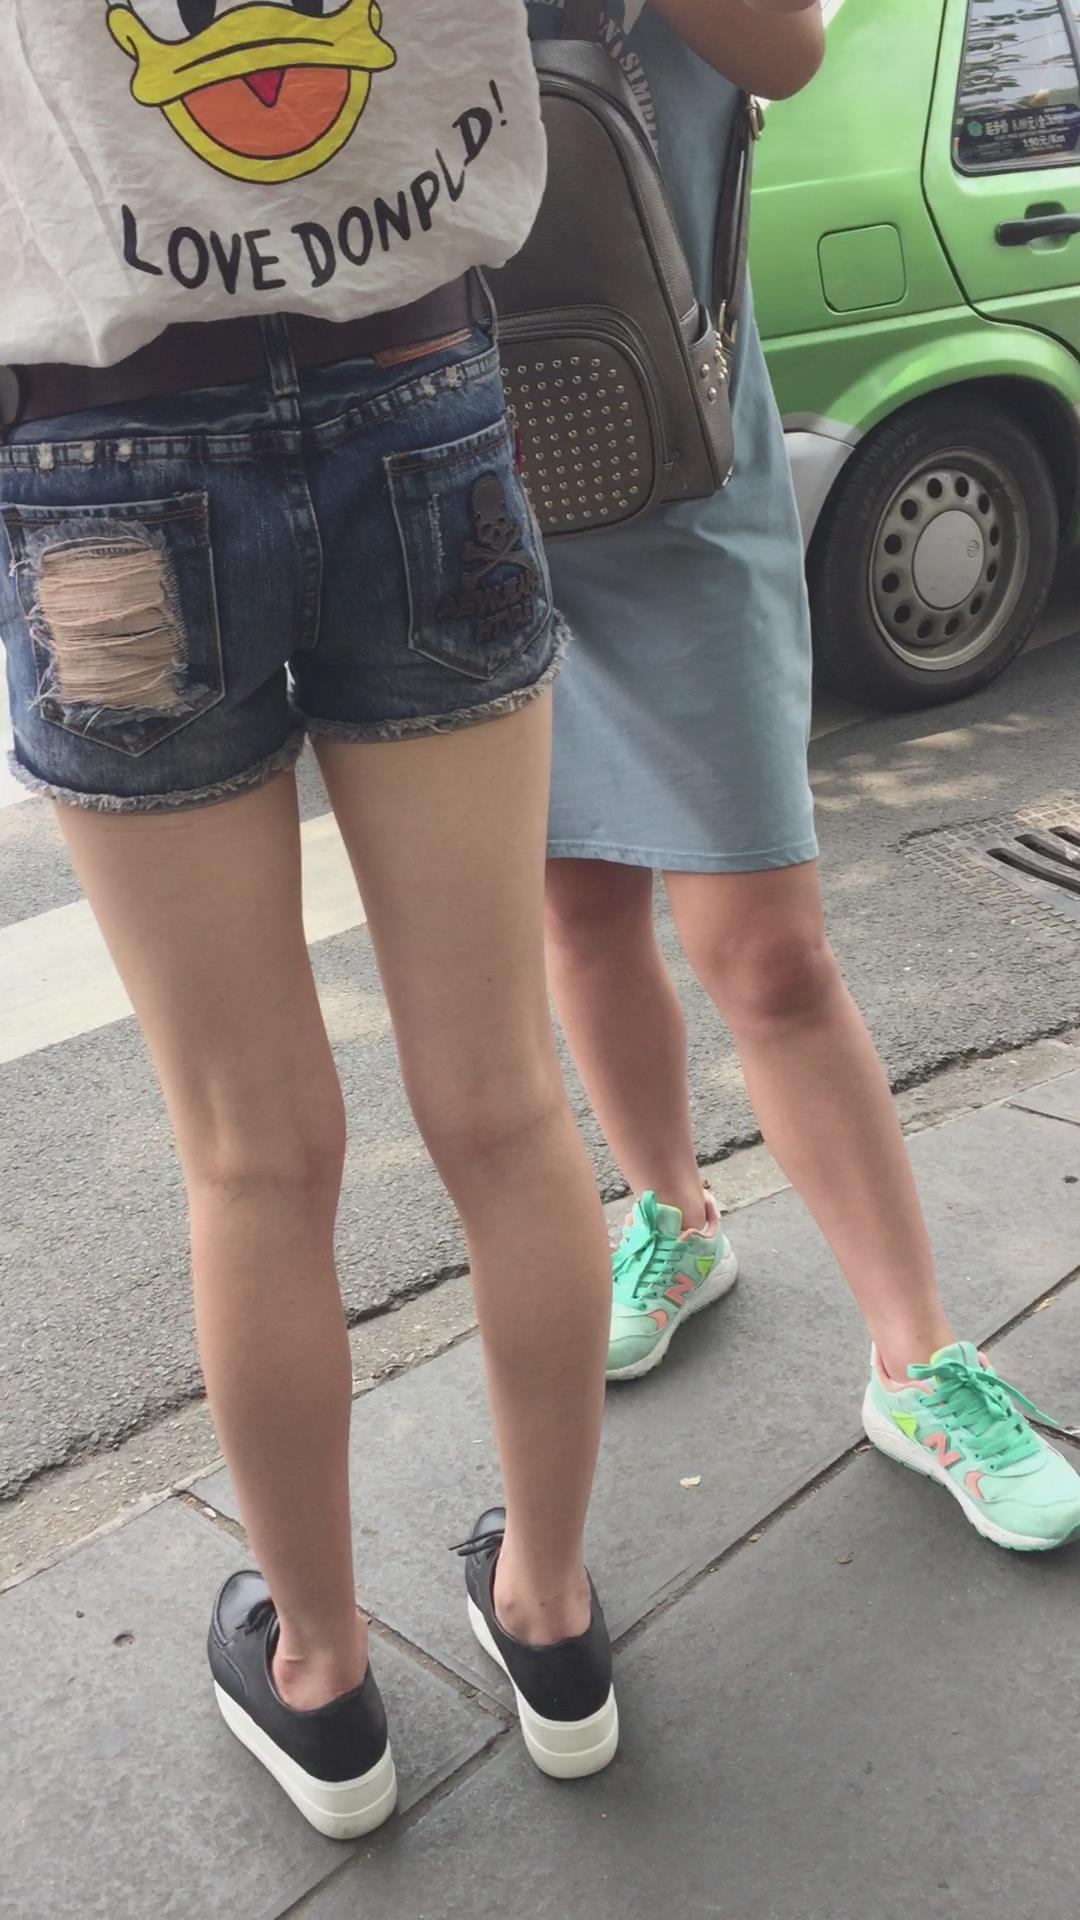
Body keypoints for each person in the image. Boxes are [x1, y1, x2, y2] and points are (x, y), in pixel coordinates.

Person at [0, 0, 618, 1839]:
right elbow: (774, 44)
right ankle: (555, 1623)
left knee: (251, 1150)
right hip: (416, 385)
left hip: (104, 449)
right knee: (505, 1101)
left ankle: (324, 1681)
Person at [537, 0, 1080, 1552]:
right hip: (456, 472)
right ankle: (671, 1215)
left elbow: (783, 49)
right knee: (579, 904)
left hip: (676, 439)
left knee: (767, 953)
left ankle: (918, 1360)